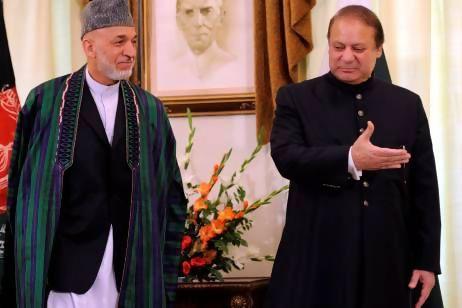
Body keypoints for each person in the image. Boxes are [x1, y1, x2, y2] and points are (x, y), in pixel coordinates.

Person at [0, 0, 187, 307]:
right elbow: (21, 192)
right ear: (89, 46)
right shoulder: (46, 103)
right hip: (65, 277)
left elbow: (172, 198)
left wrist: (165, 280)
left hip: (132, 276)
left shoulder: (151, 110)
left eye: (133, 41)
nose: (130, 50)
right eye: (119, 41)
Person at [267, 5, 443, 308]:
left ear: (378, 50)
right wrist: (350, 158)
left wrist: (427, 261)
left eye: (358, 48)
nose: (346, 57)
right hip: (318, 252)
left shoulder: (407, 104)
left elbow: (425, 189)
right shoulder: (295, 98)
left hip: (389, 255)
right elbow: (286, 157)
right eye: (338, 47)